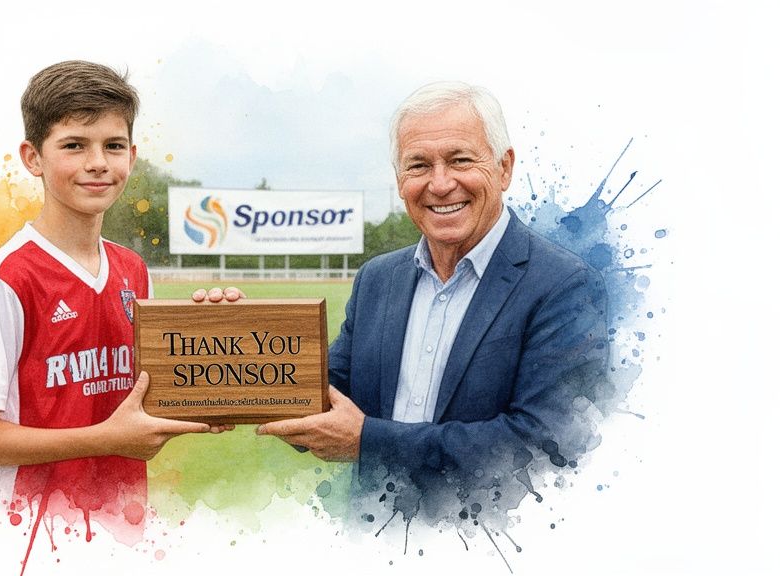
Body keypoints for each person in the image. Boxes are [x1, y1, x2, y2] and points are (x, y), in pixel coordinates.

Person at [257, 81, 609, 518]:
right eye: (419, 165)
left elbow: (549, 445)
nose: (440, 184)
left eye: (460, 160)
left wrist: (369, 441)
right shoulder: (377, 280)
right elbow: (316, 394)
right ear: (400, 180)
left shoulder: (566, 286)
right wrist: (222, 333)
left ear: (504, 168)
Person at [0, 61, 228, 540]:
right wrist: (105, 439)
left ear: (131, 156)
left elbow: (143, 398)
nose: (98, 162)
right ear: (33, 157)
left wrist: (219, 353)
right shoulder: (7, 279)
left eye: (113, 146)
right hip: (29, 536)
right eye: (74, 145)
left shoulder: (133, 270)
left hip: (120, 526)